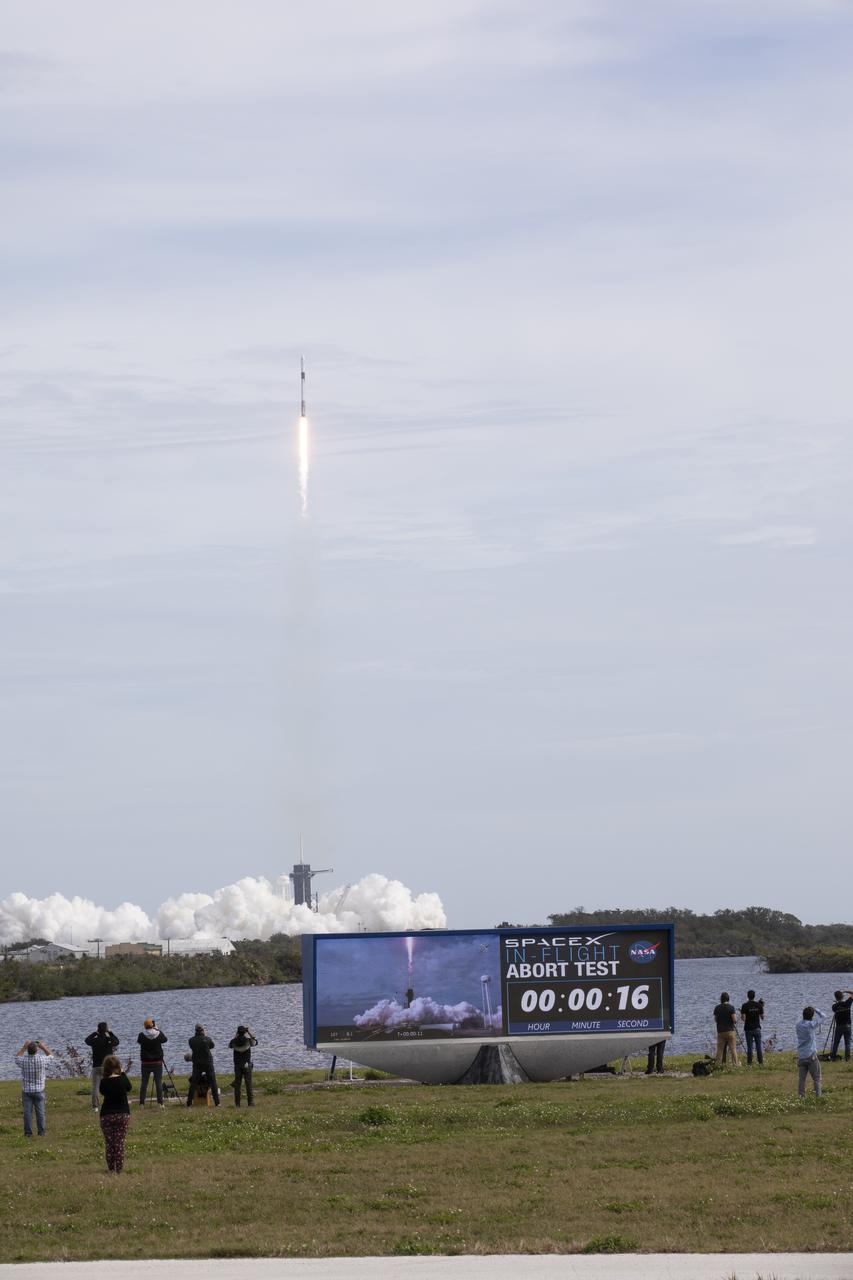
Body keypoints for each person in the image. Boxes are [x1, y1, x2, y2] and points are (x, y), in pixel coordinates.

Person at [99, 1054, 131, 1173]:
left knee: (109, 1143)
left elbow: (102, 1092)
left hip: (106, 1114)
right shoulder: (122, 1080)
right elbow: (129, 1087)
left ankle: (111, 1168)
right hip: (122, 1113)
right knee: (119, 1142)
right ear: (118, 1066)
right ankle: (119, 1169)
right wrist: (122, 1073)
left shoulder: (104, 1082)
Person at [15, 1040, 52, 1137]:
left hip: (27, 1090)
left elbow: (16, 1057)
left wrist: (24, 1047)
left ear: (28, 1050)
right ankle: (41, 1132)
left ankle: (28, 1133)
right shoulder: (41, 1059)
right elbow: (51, 1056)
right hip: (39, 1090)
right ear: (37, 1050)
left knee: (27, 1113)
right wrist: (43, 1047)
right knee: (40, 1112)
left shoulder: (23, 1060)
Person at [84, 1021, 120, 1110]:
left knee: (95, 1087)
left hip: (96, 1066)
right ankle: (111, 1103)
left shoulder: (94, 1040)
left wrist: (95, 1033)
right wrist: (110, 1032)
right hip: (108, 1066)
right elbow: (117, 1041)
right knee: (111, 1085)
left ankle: (95, 1106)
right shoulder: (109, 1040)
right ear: (106, 1030)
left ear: (98, 1029)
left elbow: (86, 1040)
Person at [796, 1005, 825, 1097]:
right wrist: (816, 1009)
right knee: (817, 1078)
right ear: (811, 1016)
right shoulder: (811, 1025)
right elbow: (824, 1017)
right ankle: (818, 1096)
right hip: (811, 1055)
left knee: (802, 1079)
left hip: (801, 1056)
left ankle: (801, 1097)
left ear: (803, 1015)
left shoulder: (798, 1025)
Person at [187, 1023, 219, 1106]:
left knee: (194, 1083)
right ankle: (217, 1102)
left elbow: (192, 1046)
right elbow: (212, 1046)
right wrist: (205, 1036)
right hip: (208, 1063)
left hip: (197, 1063)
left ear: (195, 1030)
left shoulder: (191, 1040)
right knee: (213, 1082)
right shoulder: (207, 1039)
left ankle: (189, 1102)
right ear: (203, 1030)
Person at [137, 1018, 167, 1106]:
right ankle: (160, 1103)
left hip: (145, 1062)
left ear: (145, 1026)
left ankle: (142, 1103)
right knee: (158, 1082)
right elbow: (165, 1040)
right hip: (157, 1062)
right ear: (153, 1025)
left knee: (144, 1083)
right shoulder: (158, 1033)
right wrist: (157, 1029)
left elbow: (139, 1042)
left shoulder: (141, 1035)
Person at [228, 1025, 258, 1105]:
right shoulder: (248, 1040)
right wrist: (249, 1032)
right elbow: (255, 1042)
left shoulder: (234, 1041)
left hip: (237, 1065)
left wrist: (236, 1035)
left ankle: (237, 1103)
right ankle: (250, 1102)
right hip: (246, 1064)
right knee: (248, 1083)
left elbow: (230, 1045)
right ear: (244, 1032)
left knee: (237, 1084)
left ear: (238, 1032)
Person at [713, 991, 739, 1066]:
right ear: (728, 999)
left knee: (720, 1049)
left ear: (721, 999)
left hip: (720, 1031)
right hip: (730, 1031)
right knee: (733, 1049)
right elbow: (734, 1020)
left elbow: (715, 1020)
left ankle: (717, 1064)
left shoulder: (717, 1008)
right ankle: (736, 1064)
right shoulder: (731, 1007)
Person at [740, 990, 764, 1066]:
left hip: (748, 1028)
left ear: (748, 996)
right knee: (758, 1046)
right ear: (754, 996)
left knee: (749, 1046)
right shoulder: (759, 1005)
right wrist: (762, 1007)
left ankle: (749, 1063)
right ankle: (760, 1062)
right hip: (757, 1028)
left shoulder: (744, 1005)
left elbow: (743, 1018)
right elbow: (762, 1017)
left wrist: (743, 1015)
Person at [830, 989, 853, 1061]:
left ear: (836, 998)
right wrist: (845, 990)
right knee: (847, 1043)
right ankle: (847, 1058)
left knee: (836, 1043)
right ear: (843, 996)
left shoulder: (834, 1006)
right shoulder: (847, 1003)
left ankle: (833, 1057)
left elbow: (837, 1006)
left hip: (839, 1026)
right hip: (847, 1026)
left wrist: (837, 1002)